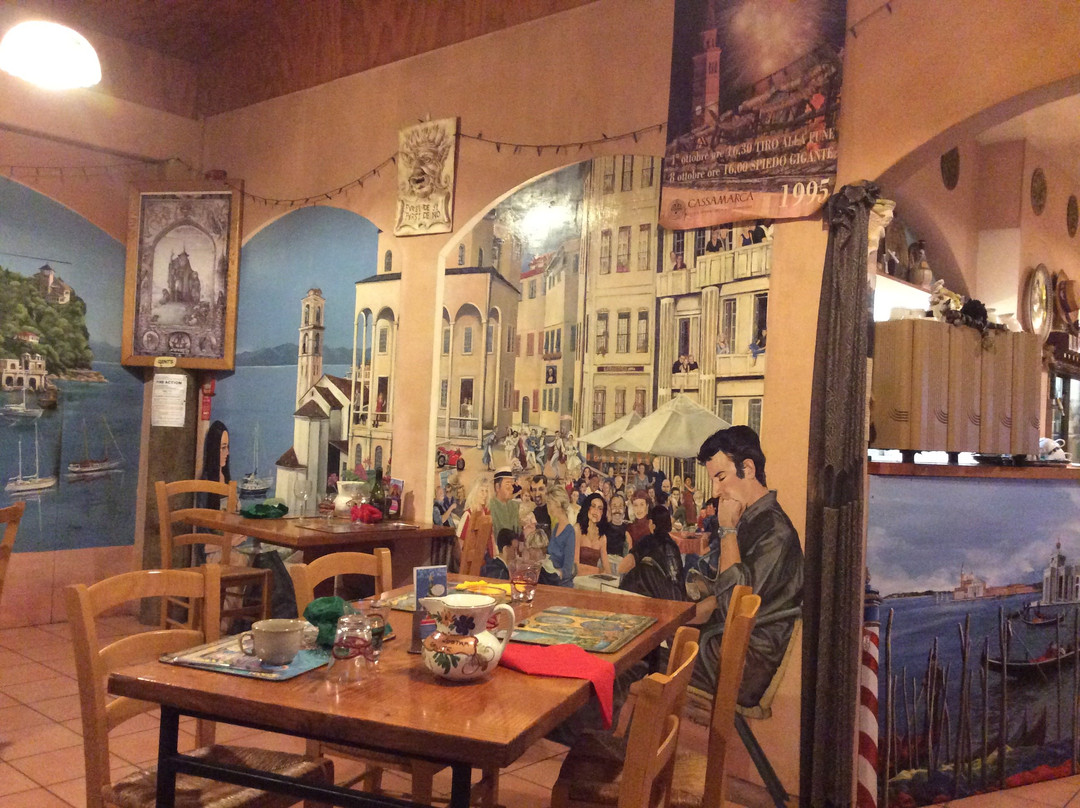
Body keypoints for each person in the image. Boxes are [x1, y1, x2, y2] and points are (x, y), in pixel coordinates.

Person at [685, 425, 803, 707]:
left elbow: (732, 608)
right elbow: (724, 595)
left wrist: (727, 530)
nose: (716, 491)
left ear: (748, 469)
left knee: (641, 660)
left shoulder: (776, 533)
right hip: (727, 646)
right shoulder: (752, 519)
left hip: (742, 664)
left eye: (721, 477)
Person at [618, 505, 685, 601]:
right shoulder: (673, 545)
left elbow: (623, 567)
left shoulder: (647, 541)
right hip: (679, 600)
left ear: (651, 524)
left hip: (659, 601)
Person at [543, 484, 576, 586]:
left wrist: (554, 574)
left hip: (561, 584)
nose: (548, 507)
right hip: (550, 580)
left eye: (549, 503)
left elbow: (568, 569)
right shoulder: (556, 527)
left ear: (557, 503)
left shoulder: (570, 532)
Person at [575, 493, 610, 575]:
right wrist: (598, 571)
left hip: (593, 580)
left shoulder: (602, 537)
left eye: (600, 508)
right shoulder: (577, 529)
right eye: (593, 506)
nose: (596, 511)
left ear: (603, 513)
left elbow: (607, 569)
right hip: (577, 578)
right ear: (587, 508)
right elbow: (575, 566)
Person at [488, 467, 520, 558]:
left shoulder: (514, 506)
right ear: (497, 487)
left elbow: (518, 531)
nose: (512, 489)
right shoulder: (490, 506)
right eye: (507, 485)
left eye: (512, 485)